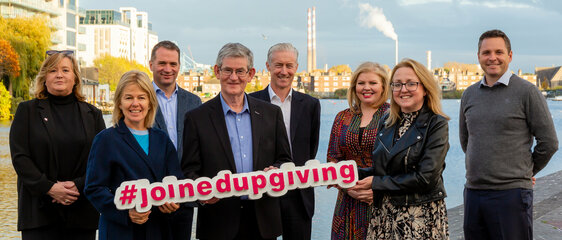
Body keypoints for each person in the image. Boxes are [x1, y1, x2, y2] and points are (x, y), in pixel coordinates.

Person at [182, 43, 292, 240]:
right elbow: (189, 170)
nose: (234, 77)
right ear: (217, 71)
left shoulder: (271, 114)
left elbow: (285, 160)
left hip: (263, 221)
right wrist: (201, 192)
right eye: (228, 70)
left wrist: (277, 170)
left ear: (250, 74)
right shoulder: (196, 118)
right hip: (217, 222)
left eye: (240, 71)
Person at [460, 29, 558, 240]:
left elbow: (549, 142)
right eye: (486, 52)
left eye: (499, 52)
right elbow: (466, 140)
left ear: (510, 56)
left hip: (511, 195)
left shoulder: (527, 92)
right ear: (478, 56)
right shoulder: (468, 95)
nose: (492, 57)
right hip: (474, 193)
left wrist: (526, 170)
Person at [10, 51, 106, 240]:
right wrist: (49, 188)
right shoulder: (27, 111)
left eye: (65, 70)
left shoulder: (93, 114)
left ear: (75, 78)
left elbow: (101, 160)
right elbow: (20, 158)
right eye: (53, 70)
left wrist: (78, 185)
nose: (59, 75)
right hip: (39, 213)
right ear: (45, 77)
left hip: (81, 212)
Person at [350, 58, 450, 239]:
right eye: (397, 84)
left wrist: (376, 183)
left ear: (425, 88)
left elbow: (425, 178)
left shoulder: (436, 124)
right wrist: (348, 173)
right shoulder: (387, 121)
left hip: (418, 216)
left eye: (411, 83)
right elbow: (384, 169)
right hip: (384, 215)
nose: (403, 89)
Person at [85, 70, 185, 240]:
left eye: (141, 97)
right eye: (129, 97)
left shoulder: (162, 139)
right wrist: (124, 212)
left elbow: (176, 181)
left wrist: (173, 201)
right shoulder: (105, 140)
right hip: (121, 230)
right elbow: (94, 188)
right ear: (119, 103)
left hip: (157, 229)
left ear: (150, 102)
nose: (135, 103)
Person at [249, 42, 320, 240]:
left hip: (299, 194)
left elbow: (311, 149)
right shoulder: (250, 101)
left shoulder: (311, 105)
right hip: (262, 192)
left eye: (289, 65)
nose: (284, 71)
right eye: (278, 65)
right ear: (268, 66)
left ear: (296, 68)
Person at [327, 62, 390, 240]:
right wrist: (348, 187)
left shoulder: (394, 116)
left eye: (373, 83)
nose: (366, 88)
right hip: (347, 203)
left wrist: (378, 188)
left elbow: (400, 162)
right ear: (354, 86)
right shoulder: (342, 117)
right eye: (361, 83)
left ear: (383, 86)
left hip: (383, 200)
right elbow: (332, 159)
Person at [149, 40, 201, 240]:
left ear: (179, 66)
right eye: (162, 63)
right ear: (151, 64)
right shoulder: (140, 100)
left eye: (173, 64)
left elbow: (197, 150)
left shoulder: (194, 102)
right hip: (150, 197)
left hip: (184, 197)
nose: (167, 69)